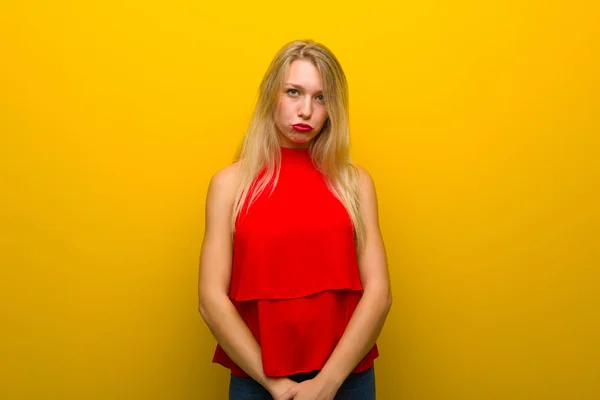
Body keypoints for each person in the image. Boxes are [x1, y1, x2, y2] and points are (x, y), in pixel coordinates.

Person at [198, 39, 392, 400]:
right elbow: (210, 298)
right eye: (293, 92)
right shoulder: (228, 184)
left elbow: (379, 293)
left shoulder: (355, 182)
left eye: (321, 98)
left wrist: (327, 384)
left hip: (347, 380)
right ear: (272, 95)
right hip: (257, 380)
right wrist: (274, 385)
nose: (306, 110)